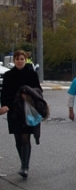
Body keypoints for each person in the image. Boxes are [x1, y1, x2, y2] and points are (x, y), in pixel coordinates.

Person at [0, 50, 45, 178]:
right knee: (18, 138)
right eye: (17, 59)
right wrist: (4, 105)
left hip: (27, 110)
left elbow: (39, 91)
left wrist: (29, 95)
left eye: (22, 59)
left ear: (25, 60)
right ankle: (23, 163)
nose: (20, 61)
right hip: (14, 111)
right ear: (14, 61)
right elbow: (5, 93)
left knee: (25, 137)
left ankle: (25, 167)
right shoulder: (9, 75)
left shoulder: (31, 74)